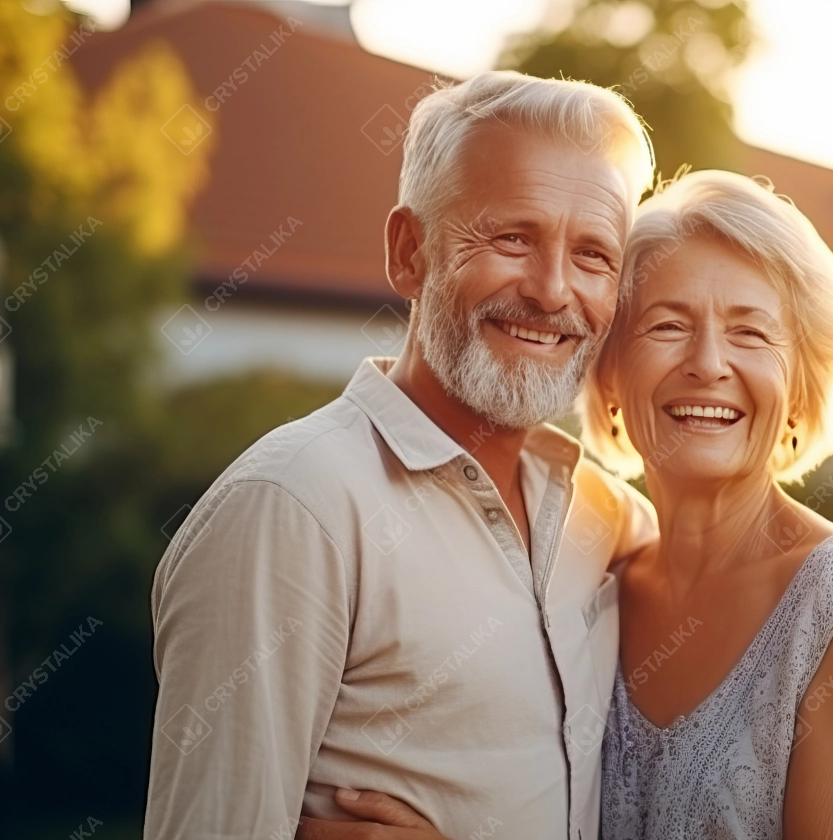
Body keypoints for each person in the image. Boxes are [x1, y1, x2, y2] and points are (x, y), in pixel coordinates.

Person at [301, 170, 833, 839]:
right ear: (608, 376)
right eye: (668, 325)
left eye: (750, 334)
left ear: (802, 387)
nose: (707, 363)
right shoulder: (592, 583)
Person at [143, 71, 659, 840]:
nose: (553, 292)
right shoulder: (293, 507)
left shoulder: (612, 520)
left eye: (593, 256)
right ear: (409, 252)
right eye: (512, 237)